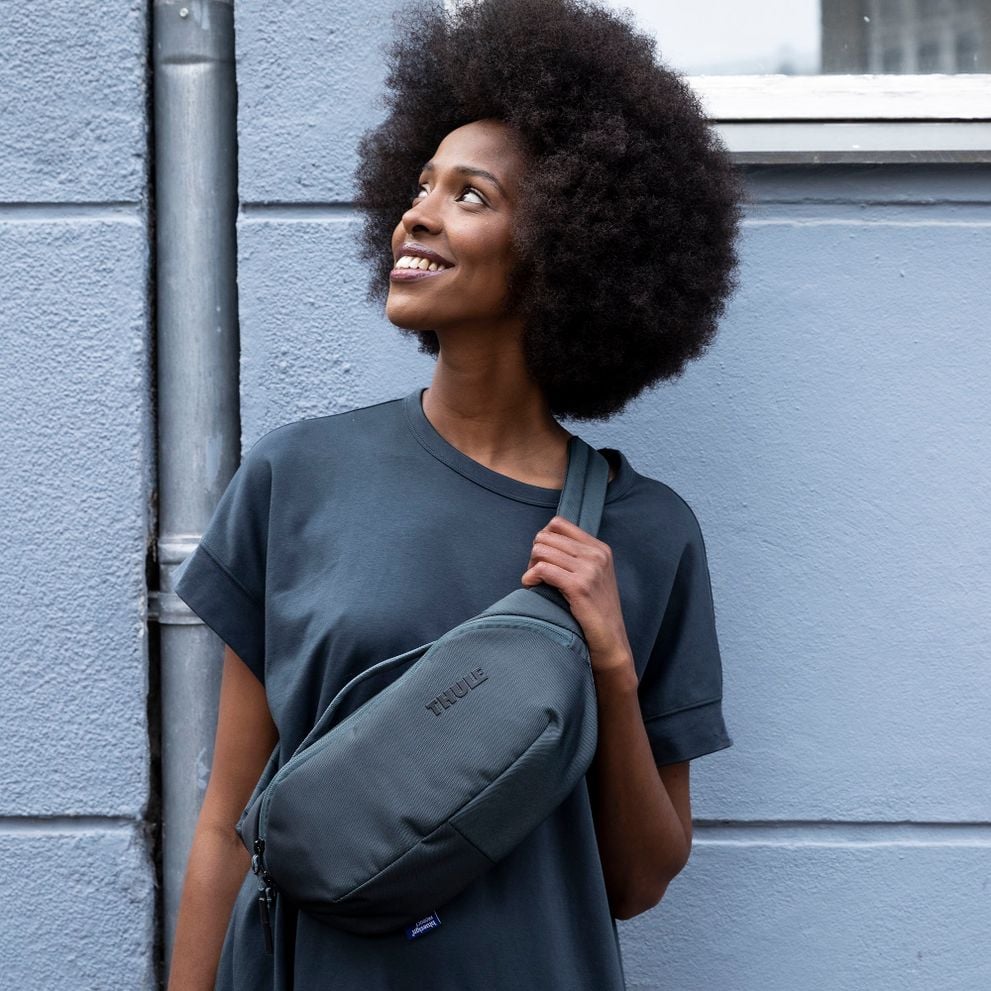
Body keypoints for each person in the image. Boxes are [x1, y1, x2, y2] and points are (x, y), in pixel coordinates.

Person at [167, 0, 743, 988]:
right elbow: (226, 823)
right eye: (419, 184)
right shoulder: (296, 479)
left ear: (564, 245)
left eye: (470, 195)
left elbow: (638, 878)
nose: (416, 213)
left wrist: (607, 662)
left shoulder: (648, 535)